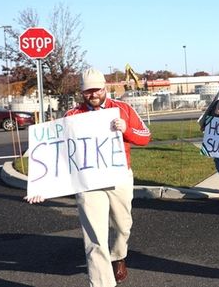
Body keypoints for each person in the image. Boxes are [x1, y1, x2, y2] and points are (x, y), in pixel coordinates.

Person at [26, 67, 151, 286]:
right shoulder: (72, 116)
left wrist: (126, 130)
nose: (92, 95)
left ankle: (118, 255)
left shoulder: (122, 109)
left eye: (96, 90)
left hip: (119, 177)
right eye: (87, 91)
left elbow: (145, 136)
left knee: (123, 226)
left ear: (105, 87)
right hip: (87, 182)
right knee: (94, 238)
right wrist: (41, 188)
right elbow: (57, 155)